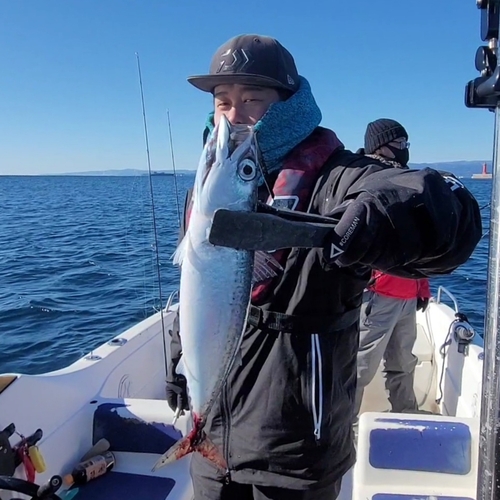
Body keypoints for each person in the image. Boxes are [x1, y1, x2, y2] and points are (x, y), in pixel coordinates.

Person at [165, 34, 482, 500]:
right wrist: (179, 355)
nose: (233, 117)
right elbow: (194, 285)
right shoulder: (209, 186)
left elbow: (452, 215)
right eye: (222, 102)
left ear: (289, 103)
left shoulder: (340, 177)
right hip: (212, 440)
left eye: (252, 99)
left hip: (296, 451)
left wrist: (387, 210)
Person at [353, 119, 432, 420]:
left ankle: (407, 418)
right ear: (382, 146)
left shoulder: (408, 181)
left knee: (404, 363)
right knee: (360, 367)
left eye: (406, 145)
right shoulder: (368, 181)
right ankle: (341, 429)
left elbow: (420, 244)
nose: (405, 151)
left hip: (407, 296)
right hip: (377, 295)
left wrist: (421, 288)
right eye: (401, 145)